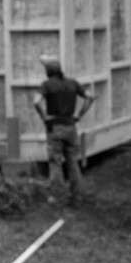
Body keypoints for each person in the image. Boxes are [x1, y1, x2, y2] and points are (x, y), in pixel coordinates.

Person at [33, 55, 94, 204]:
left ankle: (57, 196)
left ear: (48, 71)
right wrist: (79, 114)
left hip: (55, 127)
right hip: (71, 127)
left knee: (55, 162)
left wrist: (44, 117)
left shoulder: (47, 85)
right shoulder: (72, 83)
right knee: (72, 161)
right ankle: (77, 195)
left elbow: (36, 102)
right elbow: (90, 97)